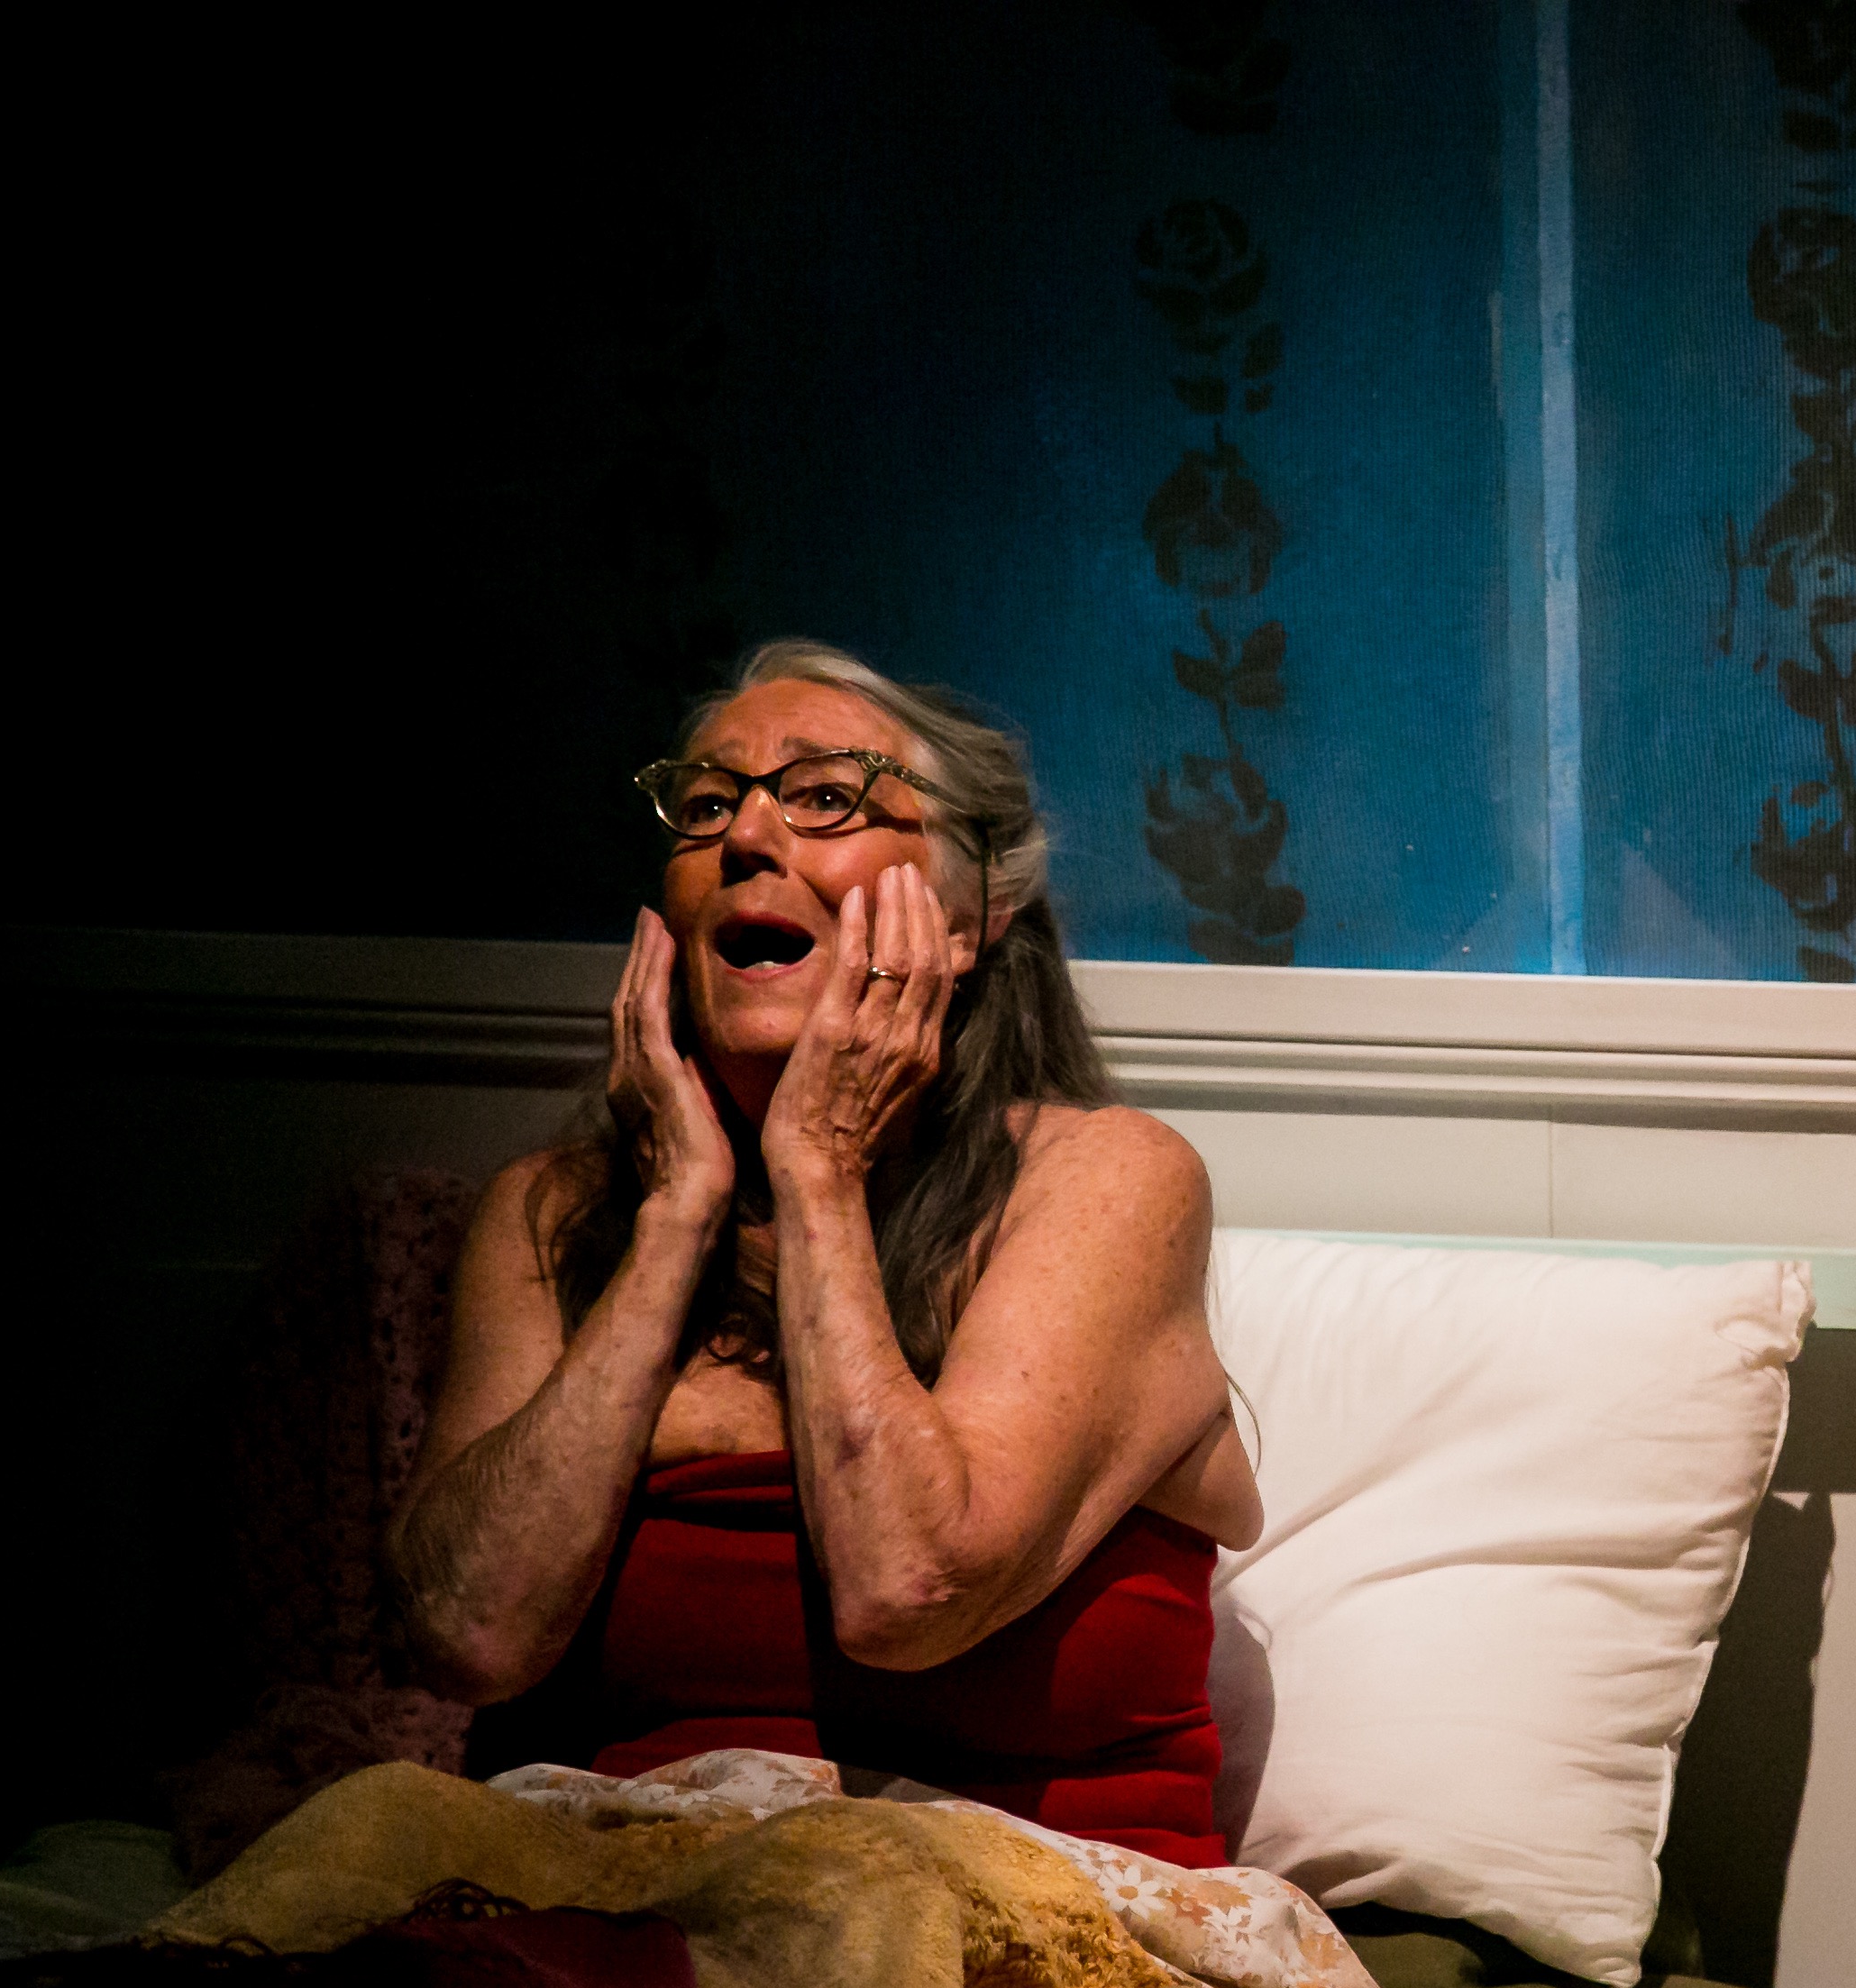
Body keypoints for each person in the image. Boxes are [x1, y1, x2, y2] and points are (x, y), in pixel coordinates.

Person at [393, 642, 1259, 1863]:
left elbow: (910, 1590)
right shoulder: (550, 1212)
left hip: (1015, 1905)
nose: (747, 837)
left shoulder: (1106, 1182)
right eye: (706, 804)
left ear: (970, 918)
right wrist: (673, 1222)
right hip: (617, 1887)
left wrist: (818, 1168)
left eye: (826, 796)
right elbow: (466, 1638)